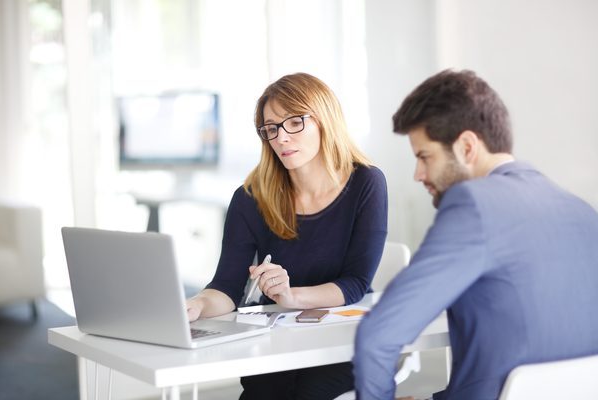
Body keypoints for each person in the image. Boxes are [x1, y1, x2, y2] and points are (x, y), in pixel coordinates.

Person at [353, 69, 598, 400]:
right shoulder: (581, 210)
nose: (418, 174)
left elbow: (377, 337)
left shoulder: (474, 202)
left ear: (467, 147)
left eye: (425, 156)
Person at [186, 72, 388, 399]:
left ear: (324, 120)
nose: (281, 138)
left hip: (343, 338)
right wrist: (197, 305)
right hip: (279, 339)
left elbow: (356, 283)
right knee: (261, 393)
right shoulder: (251, 197)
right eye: (271, 128)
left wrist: (292, 297)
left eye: (294, 123)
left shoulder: (366, 183)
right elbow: (227, 287)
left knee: (309, 393)